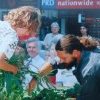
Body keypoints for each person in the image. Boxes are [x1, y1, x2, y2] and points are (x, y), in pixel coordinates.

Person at [29, 34, 100, 100]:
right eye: (60, 58)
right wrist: (35, 78)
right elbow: (55, 62)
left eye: (64, 58)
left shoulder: (89, 70)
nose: (61, 61)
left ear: (75, 53)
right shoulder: (81, 48)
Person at [0, 6, 41, 74]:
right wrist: (14, 69)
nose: (28, 36)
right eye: (30, 31)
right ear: (25, 24)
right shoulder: (12, 36)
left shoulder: (3, 25)